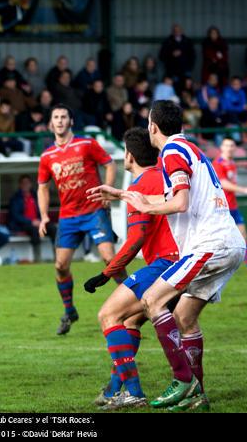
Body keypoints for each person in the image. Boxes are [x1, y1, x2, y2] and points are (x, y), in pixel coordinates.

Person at [115, 99, 246, 411]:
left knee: (151, 300)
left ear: (152, 127)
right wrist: (123, 194)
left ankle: (182, 378)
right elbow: (174, 194)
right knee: (184, 317)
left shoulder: (172, 152)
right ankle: (197, 396)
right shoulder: (190, 149)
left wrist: (145, 206)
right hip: (229, 244)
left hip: (210, 245)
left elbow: (180, 202)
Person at [84, 128, 181, 410]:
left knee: (107, 315)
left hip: (164, 263)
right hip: (181, 264)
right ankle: (114, 389)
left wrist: (106, 273)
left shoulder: (139, 185)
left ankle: (135, 392)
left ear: (129, 155)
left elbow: (136, 239)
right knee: (130, 322)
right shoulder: (161, 176)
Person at [37, 105, 117, 336]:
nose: (60, 121)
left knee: (110, 259)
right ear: (51, 124)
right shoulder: (47, 156)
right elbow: (42, 188)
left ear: (71, 121)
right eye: (56, 118)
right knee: (60, 266)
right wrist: (43, 216)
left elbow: (110, 164)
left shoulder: (87, 144)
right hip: (68, 216)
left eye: (64, 117)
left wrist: (108, 191)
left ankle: (136, 304)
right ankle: (69, 310)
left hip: (94, 211)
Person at [212, 138, 247, 275]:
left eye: (232, 145)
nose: (230, 148)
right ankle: (211, 267)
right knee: (218, 240)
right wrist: (244, 190)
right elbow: (223, 183)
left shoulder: (231, 163)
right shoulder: (218, 163)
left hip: (232, 206)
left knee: (243, 235)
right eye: (227, 145)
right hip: (221, 208)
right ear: (221, 147)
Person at [8, 174, 56, 262]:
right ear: (20, 185)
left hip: (38, 222)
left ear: (30, 184)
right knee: (34, 230)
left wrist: (42, 220)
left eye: (27, 183)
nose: (25, 185)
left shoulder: (36, 196)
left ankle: (58, 257)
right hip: (23, 225)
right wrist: (31, 222)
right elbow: (15, 215)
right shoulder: (15, 198)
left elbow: (43, 209)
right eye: (23, 183)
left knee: (53, 228)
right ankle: (38, 258)